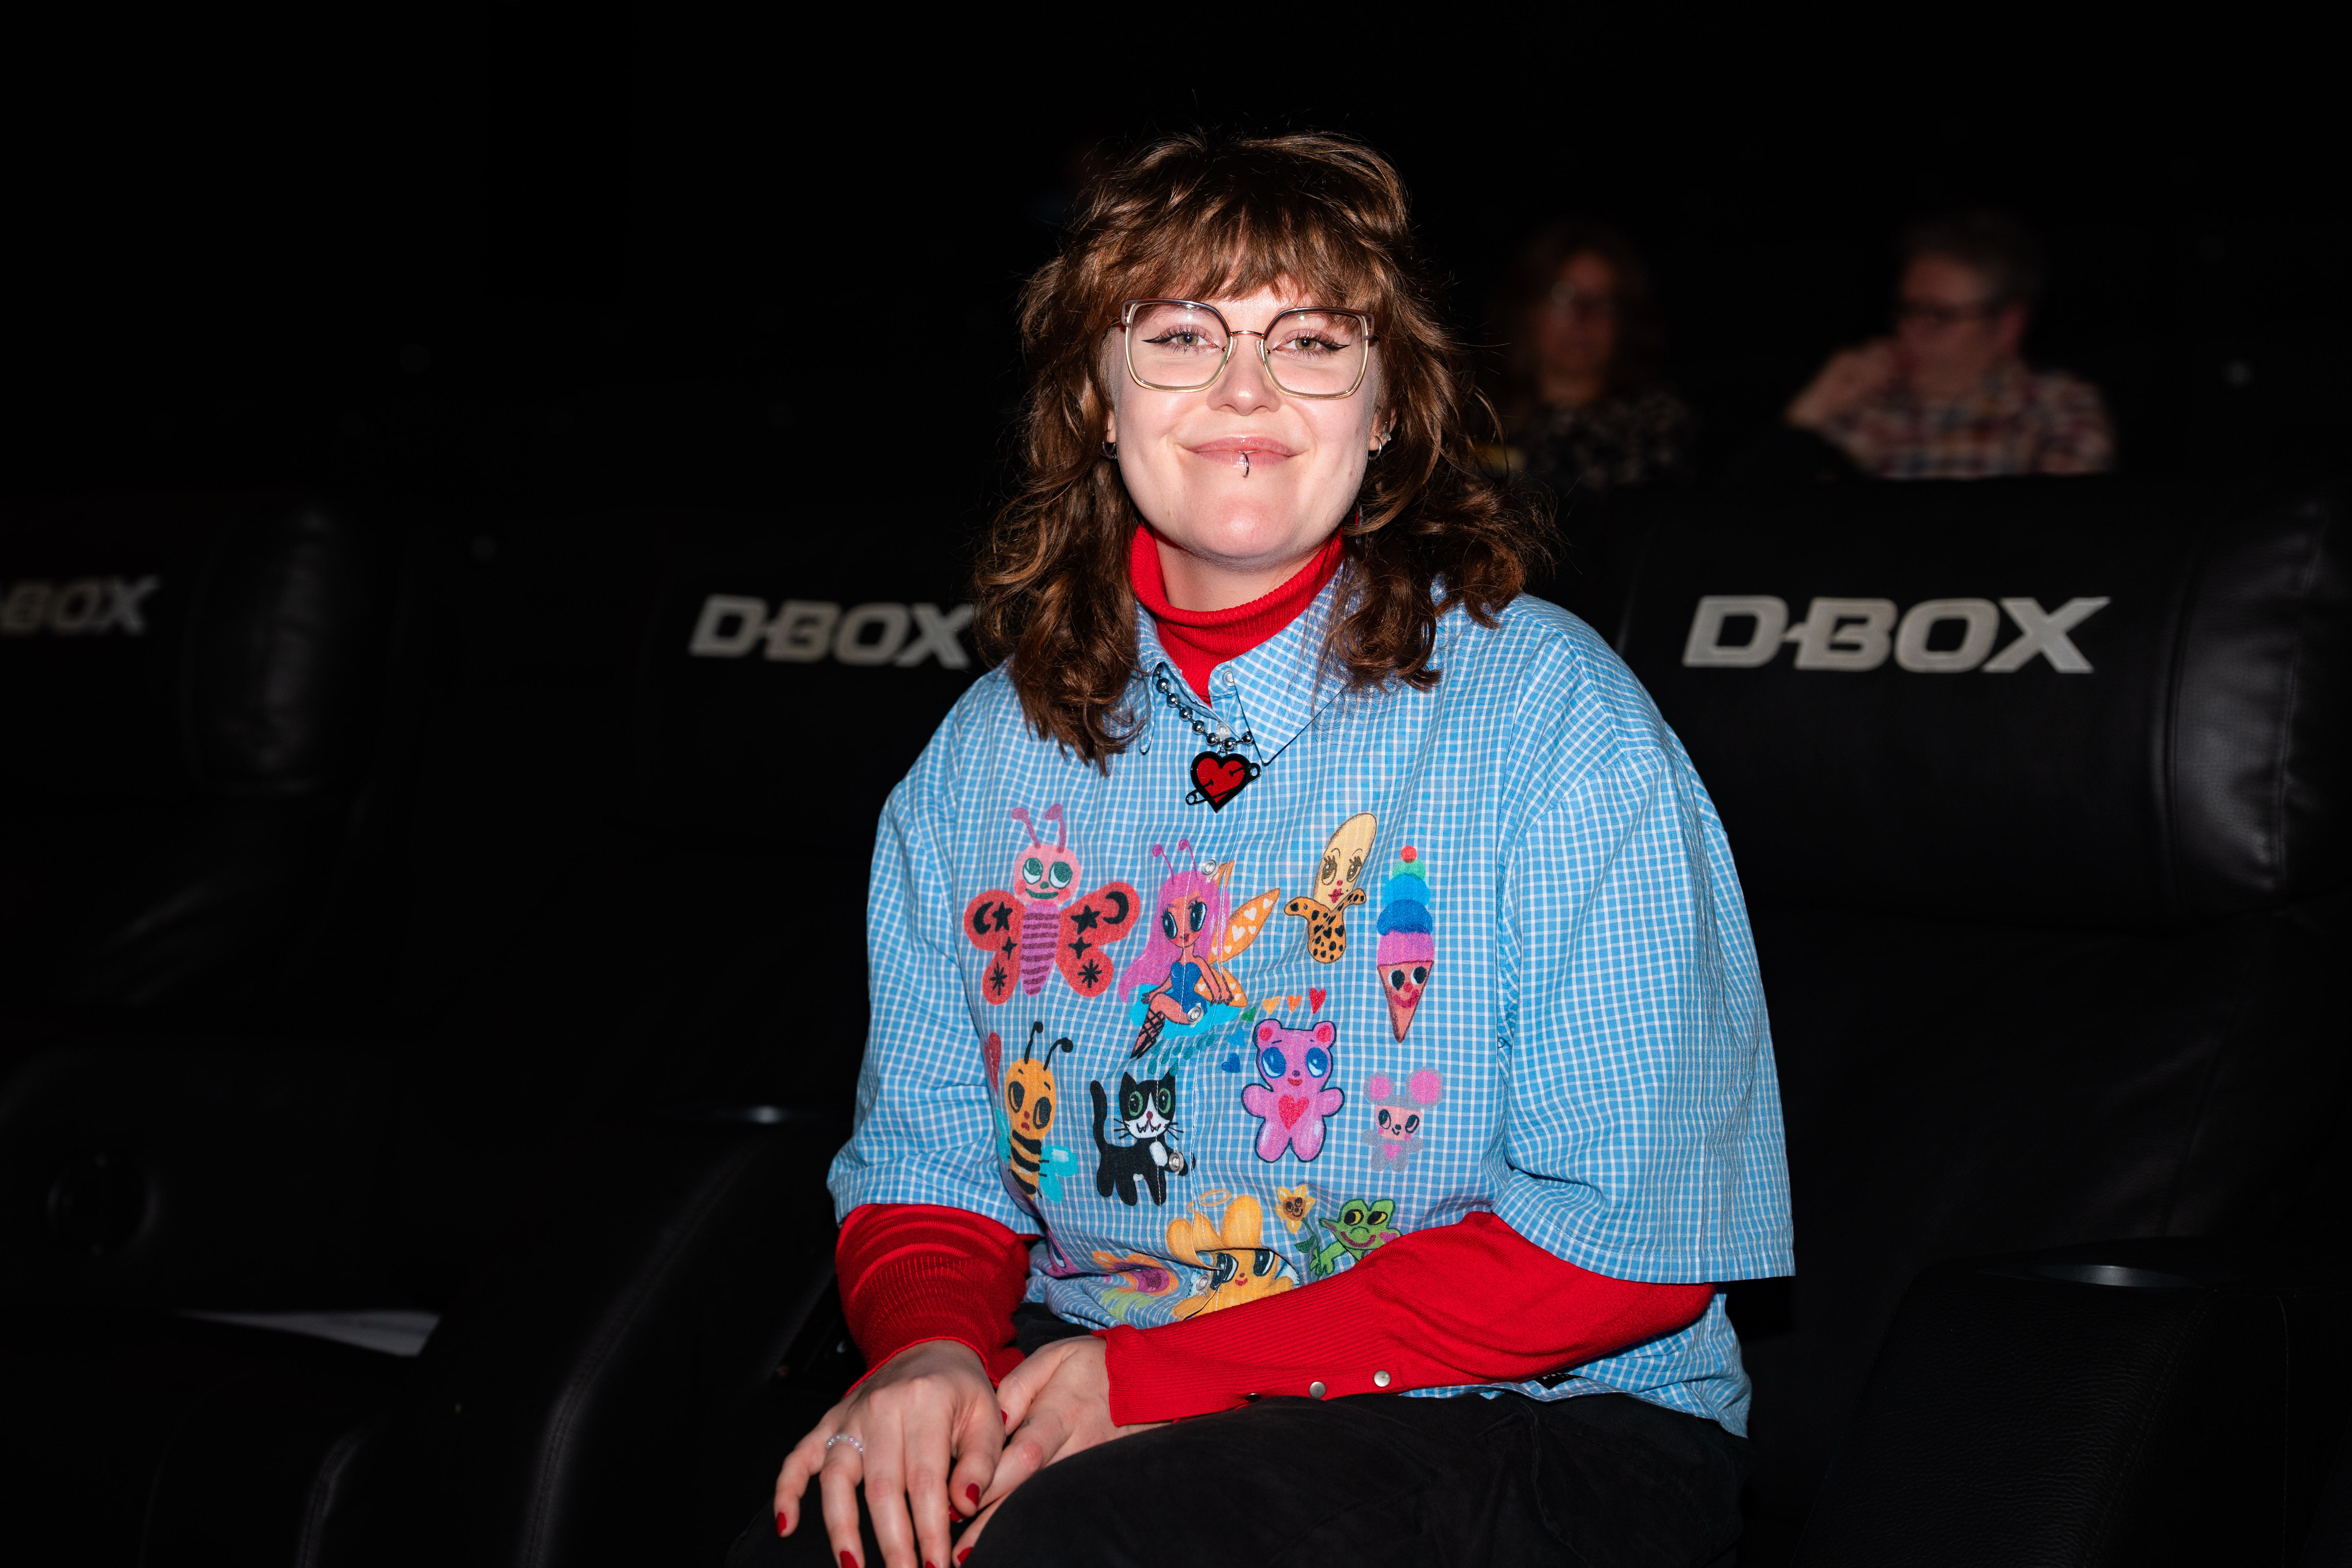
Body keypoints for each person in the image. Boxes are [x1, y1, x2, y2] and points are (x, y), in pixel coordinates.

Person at [737, 132, 1790, 1568]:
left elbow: (1629, 1244)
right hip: (1112, 1369)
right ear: (1097, 401)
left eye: (1309, 341)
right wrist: (927, 1354)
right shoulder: (984, 754)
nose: (1245, 389)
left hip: (1542, 1415)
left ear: (1385, 408)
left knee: (1089, 1542)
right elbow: (929, 1167)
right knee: (827, 1527)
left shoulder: (1548, 715)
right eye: (1180, 337)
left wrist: (1155, 1380)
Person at [1785, 211, 2113, 478]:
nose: (1909, 331)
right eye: (1907, 310)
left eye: (1938, 316)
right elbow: (1766, 514)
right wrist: (1812, 410)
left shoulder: (2056, 408)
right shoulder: (1864, 405)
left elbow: (2054, 531)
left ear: (2007, 326)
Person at [1488, 220, 1694, 493]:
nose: (1583, 317)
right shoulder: (1479, 417)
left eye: (1603, 301)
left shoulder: (1653, 423)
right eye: (1563, 296)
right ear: (1527, 309)